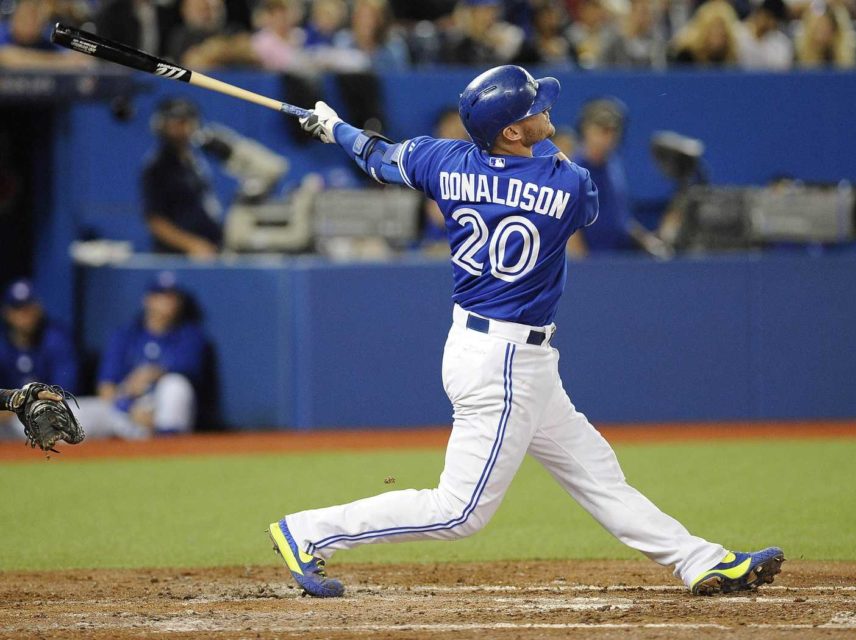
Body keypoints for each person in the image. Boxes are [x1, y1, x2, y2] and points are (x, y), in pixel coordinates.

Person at [267, 64, 784, 598]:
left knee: (597, 473)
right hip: (503, 362)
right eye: (533, 109)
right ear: (511, 131)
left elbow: (378, 156)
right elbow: (588, 207)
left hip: (499, 352)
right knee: (459, 512)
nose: (546, 112)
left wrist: (335, 129)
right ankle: (309, 532)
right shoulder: (566, 182)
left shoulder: (442, 159)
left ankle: (700, 561)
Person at [71, 272, 209, 439]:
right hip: (125, 410)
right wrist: (128, 408)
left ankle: (168, 448)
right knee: (72, 411)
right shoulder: (125, 334)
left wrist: (152, 373)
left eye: (173, 297)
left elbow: (189, 370)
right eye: (161, 296)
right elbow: (106, 387)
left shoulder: (190, 336)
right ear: (148, 299)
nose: (168, 302)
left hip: (159, 412)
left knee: (176, 386)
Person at [568, 99, 670, 258]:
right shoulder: (573, 172)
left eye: (613, 131)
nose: (607, 137)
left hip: (618, 262)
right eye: (601, 130)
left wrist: (647, 241)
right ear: (585, 129)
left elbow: (621, 219)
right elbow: (568, 229)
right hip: (592, 269)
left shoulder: (613, 165)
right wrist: (584, 270)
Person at [142, 98, 223, 258]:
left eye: (186, 121)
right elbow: (156, 220)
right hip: (178, 255)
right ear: (162, 124)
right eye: (176, 122)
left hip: (209, 248)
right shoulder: (158, 167)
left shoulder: (194, 161)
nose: (182, 128)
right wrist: (192, 245)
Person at [0, 280, 79, 439]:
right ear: (7, 312)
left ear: (38, 308)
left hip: (51, 413)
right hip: (9, 419)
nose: (25, 314)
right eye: (18, 308)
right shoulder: (2, 344)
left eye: (28, 307)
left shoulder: (55, 338)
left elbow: (62, 392)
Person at [669, 0, 741, 66]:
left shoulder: (734, 58)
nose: (718, 33)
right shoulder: (686, 56)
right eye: (713, 29)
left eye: (721, 30)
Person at [736, 0, 794, 70]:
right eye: (766, 16)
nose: (767, 21)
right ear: (759, 13)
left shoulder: (782, 44)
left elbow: (781, 69)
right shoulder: (738, 33)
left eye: (772, 19)